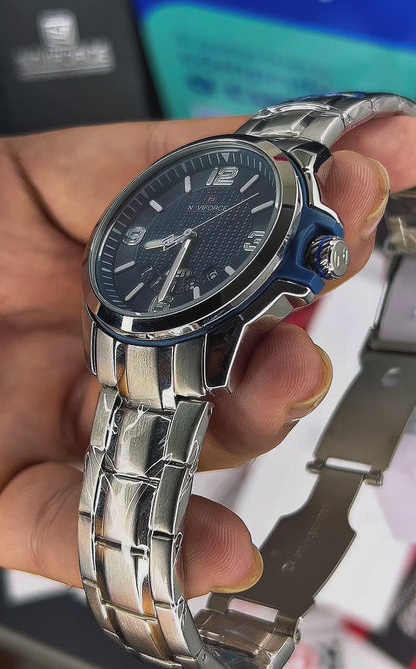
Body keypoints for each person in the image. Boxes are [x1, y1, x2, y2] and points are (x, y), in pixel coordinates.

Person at [0, 111, 407, 598]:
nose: (189, 236)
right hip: (131, 325)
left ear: (317, 254)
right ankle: (141, 600)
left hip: (171, 333)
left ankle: (138, 597)